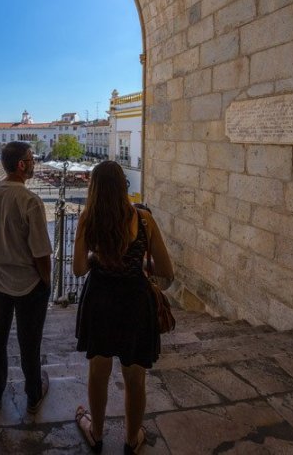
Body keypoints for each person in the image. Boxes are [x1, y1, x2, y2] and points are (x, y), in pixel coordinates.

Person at [72, 161, 174, 454]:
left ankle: (98, 432)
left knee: (98, 371)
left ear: (94, 188)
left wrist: (98, 260)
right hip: (135, 303)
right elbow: (166, 270)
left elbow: (78, 268)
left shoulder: (87, 219)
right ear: (123, 187)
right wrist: (135, 263)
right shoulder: (143, 220)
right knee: (134, 376)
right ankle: (131, 439)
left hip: (100, 301)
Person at [0, 141, 53, 414]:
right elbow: (41, 252)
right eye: (31, 158)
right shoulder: (30, 201)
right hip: (29, 285)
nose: (34, 162)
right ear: (22, 165)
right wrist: (46, 281)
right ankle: (33, 395)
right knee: (29, 341)